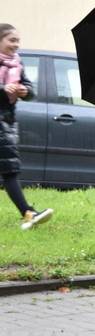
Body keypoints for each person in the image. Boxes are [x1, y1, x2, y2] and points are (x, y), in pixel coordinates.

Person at [0, 24, 53, 229]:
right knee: (9, 169)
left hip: (8, 120)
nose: (16, 44)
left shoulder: (16, 64)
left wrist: (24, 91)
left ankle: (27, 213)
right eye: (11, 40)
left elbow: (31, 91)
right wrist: (5, 89)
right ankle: (28, 213)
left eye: (18, 41)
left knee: (8, 169)